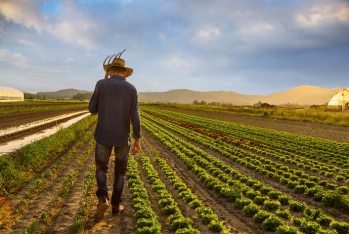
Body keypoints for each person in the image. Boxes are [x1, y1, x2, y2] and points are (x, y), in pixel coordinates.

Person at [88, 49, 141, 221]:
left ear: (110, 70)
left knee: (101, 168)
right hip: (122, 138)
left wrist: (99, 93)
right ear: (125, 72)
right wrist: (137, 138)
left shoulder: (101, 84)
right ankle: (116, 205)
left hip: (103, 135)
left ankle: (103, 198)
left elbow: (92, 109)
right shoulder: (131, 88)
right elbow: (135, 115)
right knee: (120, 172)